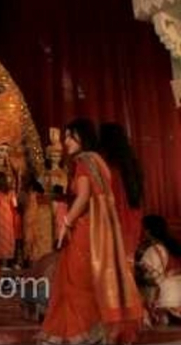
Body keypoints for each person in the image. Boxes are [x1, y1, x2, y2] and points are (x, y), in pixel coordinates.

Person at [37, 118, 142, 344]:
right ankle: (94, 332)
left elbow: (83, 197)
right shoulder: (99, 161)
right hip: (100, 230)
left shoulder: (84, 160)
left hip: (85, 229)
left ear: (82, 137)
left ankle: (79, 333)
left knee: (75, 283)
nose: (65, 142)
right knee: (89, 281)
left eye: (69, 136)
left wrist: (66, 222)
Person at [100, 122, 144, 267]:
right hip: (132, 223)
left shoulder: (107, 166)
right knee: (127, 272)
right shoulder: (132, 164)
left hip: (115, 224)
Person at [136, 214, 181, 326]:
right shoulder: (169, 246)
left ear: (147, 231)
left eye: (140, 228)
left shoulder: (154, 250)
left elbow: (150, 278)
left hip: (166, 299)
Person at [0, 172, 18, 270]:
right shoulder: (11, 193)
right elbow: (15, 205)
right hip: (7, 218)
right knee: (7, 239)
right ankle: (5, 264)